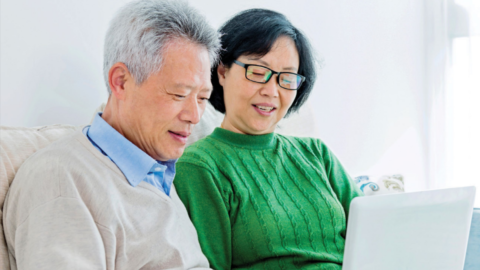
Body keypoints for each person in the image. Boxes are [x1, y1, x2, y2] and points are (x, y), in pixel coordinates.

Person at [3, 0, 220, 269]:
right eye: (179, 94)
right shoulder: (61, 179)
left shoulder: (157, 172)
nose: (194, 116)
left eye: (202, 98)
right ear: (121, 81)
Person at [174, 9, 363, 270]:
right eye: (257, 71)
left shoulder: (317, 154)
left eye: (286, 78)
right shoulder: (200, 167)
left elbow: (376, 231)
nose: (271, 91)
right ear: (222, 72)